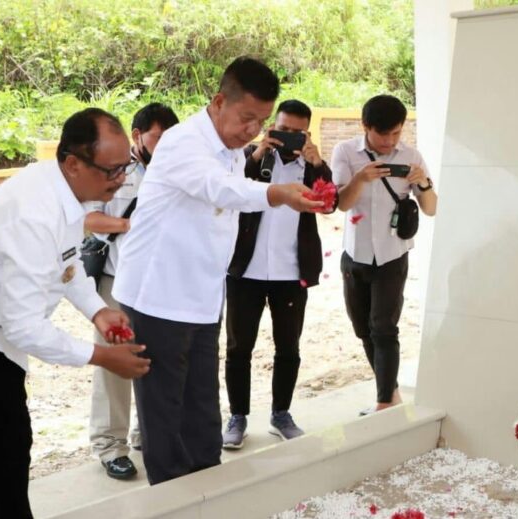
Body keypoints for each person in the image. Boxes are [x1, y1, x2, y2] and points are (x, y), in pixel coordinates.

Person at [0, 108, 151, 518]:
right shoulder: (35, 211)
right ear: (73, 162)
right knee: (3, 457)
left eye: (125, 165)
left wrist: (98, 312)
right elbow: (25, 327)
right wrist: (101, 356)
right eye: (111, 170)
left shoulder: (64, 190)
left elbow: (68, 265)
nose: (121, 179)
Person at [113, 57, 323, 485]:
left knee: (204, 408)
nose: (252, 130)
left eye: (260, 121)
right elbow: (222, 189)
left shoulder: (229, 148)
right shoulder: (182, 142)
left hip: (204, 296)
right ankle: (172, 503)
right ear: (218, 101)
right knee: (164, 412)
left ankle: (210, 492)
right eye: (247, 117)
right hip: (159, 296)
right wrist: (278, 192)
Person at [222, 100, 335, 449]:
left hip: (291, 272)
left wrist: (316, 162)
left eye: (296, 133)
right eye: (282, 129)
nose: (287, 137)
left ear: (307, 133)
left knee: (289, 347)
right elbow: (230, 191)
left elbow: (329, 202)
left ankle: (280, 414)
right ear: (272, 125)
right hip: (246, 270)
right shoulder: (249, 157)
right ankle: (237, 416)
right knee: (239, 347)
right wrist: (257, 156)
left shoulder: (313, 166)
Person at [85, 102, 179, 480]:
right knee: (114, 362)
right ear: (138, 136)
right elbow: (87, 218)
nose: (165, 144)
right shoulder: (114, 172)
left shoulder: (177, 171)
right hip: (117, 284)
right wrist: (130, 224)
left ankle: (145, 432)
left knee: (153, 359)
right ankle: (110, 445)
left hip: (162, 285)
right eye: (159, 137)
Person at [331, 95, 437, 415]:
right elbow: (342, 204)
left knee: (384, 327)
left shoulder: (411, 156)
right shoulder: (346, 152)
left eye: (396, 134)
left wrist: (424, 183)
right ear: (366, 127)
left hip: (393, 255)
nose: (390, 142)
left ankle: (382, 405)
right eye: (383, 134)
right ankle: (390, 393)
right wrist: (362, 177)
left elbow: (431, 209)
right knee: (363, 328)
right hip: (356, 254)